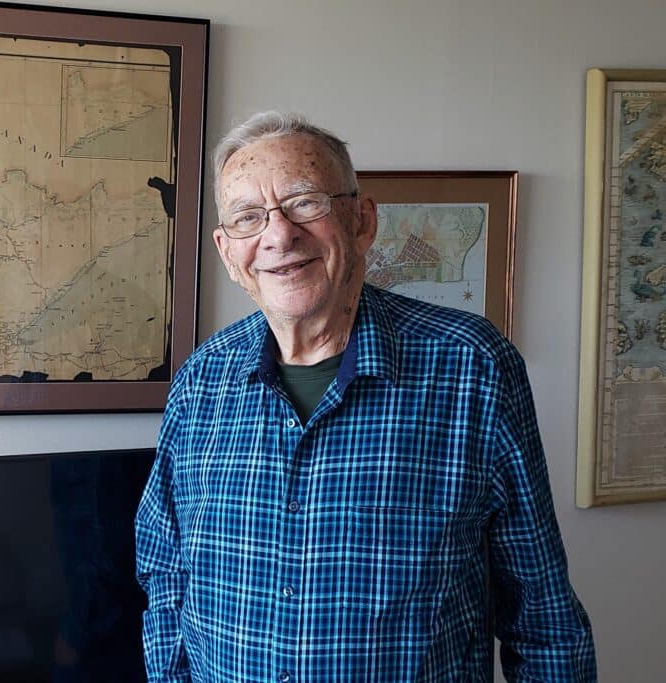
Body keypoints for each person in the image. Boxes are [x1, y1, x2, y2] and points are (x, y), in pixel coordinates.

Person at [135, 111, 596, 682]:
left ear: (362, 220)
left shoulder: (471, 366)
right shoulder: (202, 380)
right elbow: (165, 571)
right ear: (229, 252)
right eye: (249, 218)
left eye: (304, 202)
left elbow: (543, 616)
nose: (278, 235)